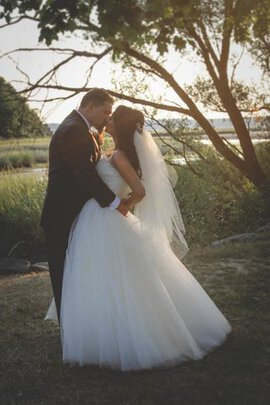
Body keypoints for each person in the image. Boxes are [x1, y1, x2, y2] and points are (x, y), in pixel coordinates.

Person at [45, 105, 232, 372]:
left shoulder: (120, 156)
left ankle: (126, 332)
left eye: (112, 117)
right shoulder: (111, 149)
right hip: (95, 217)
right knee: (99, 276)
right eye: (106, 114)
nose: (106, 119)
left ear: (119, 125)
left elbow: (140, 190)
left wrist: (123, 206)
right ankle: (101, 328)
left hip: (105, 217)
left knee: (116, 276)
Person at [40, 89, 128, 323]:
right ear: (89, 106)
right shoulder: (72, 130)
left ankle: (80, 325)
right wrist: (116, 202)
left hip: (72, 215)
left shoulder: (80, 128)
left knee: (74, 273)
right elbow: (85, 174)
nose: (108, 117)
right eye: (105, 112)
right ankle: (69, 329)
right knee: (62, 275)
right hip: (61, 216)